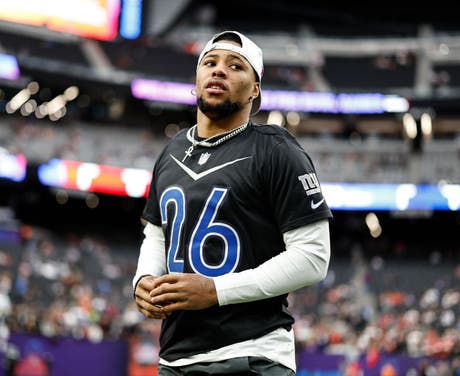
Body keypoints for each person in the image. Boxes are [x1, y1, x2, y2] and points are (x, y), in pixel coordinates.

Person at [132, 30, 333, 375]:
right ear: (196, 80)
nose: (219, 70)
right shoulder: (173, 151)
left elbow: (313, 256)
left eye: (236, 65)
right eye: (210, 63)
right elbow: (157, 233)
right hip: (176, 359)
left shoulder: (276, 148)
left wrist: (216, 290)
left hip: (252, 354)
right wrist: (144, 279)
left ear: (255, 89)